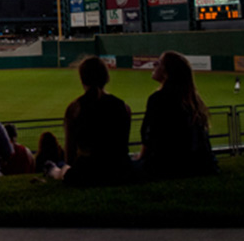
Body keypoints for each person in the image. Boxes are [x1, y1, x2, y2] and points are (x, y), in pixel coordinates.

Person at [139, 51, 218, 179]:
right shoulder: (193, 101)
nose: (154, 65)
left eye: (158, 63)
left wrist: (141, 157)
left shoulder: (158, 99)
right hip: (200, 164)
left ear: (167, 71)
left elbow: (149, 136)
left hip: (170, 166)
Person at [58, 56, 133, 186]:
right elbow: (122, 146)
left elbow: (69, 157)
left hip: (88, 172)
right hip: (121, 170)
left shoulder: (74, 108)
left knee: (58, 167)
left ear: (82, 79)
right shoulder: (123, 107)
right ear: (106, 77)